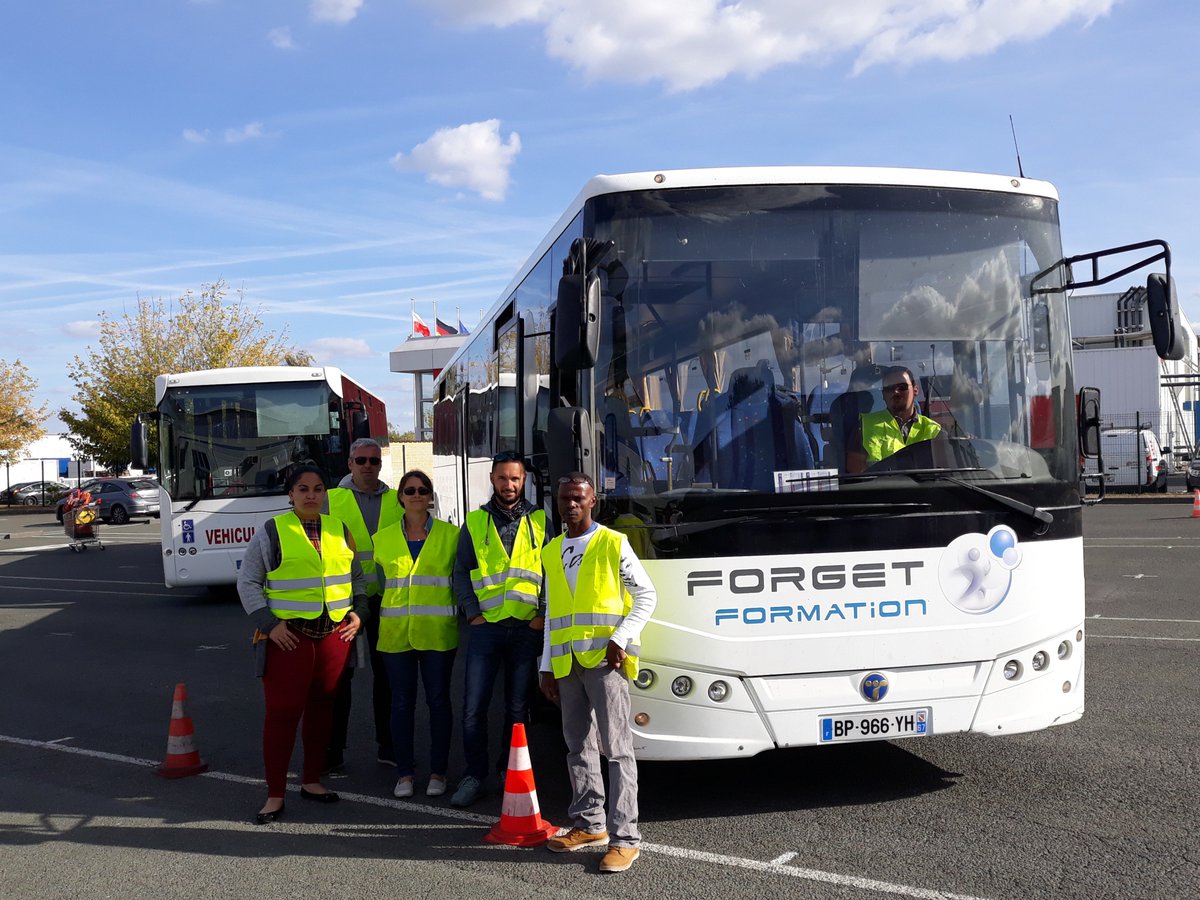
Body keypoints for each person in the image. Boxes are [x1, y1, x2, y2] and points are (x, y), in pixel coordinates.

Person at [236, 465, 368, 825]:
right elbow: (248, 582)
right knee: (282, 714)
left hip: (334, 635)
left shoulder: (340, 529)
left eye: (318, 488)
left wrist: (359, 612)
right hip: (288, 638)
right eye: (303, 489)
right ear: (290, 494)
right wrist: (269, 624)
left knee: (323, 709)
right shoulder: (272, 531)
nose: (312, 495)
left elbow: (356, 576)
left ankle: (312, 781)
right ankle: (274, 794)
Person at [539, 471, 657, 874]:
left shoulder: (612, 542)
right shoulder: (551, 550)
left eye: (579, 498)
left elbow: (647, 594)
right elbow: (553, 612)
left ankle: (626, 838)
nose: (571, 504)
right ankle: (589, 824)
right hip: (567, 663)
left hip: (606, 662)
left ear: (593, 502)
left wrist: (621, 638)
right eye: (564, 498)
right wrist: (545, 667)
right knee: (577, 747)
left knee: (618, 750)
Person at [448, 450, 546, 808]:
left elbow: (551, 572)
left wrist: (542, 615)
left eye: (515, 478)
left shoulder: (541, 520)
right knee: (474, 707)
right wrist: (472, 613)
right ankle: (474, 775)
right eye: (502, 478)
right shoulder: (474, 523)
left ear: (524, 481)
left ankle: (510, 771)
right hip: (486, 628)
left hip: (525, 628)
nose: (509, 485)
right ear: (492, 479)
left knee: (517, 708)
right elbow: (460, 572)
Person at [373, 469, 459, 799]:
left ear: (431, 496)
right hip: (395, 635)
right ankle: (404, 773)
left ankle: (438, 771)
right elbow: (377, 584)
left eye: (423, 490)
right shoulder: (383, 538)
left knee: (438, 702)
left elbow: (461, 580)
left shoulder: (451, 536)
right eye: (410, 490)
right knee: (401, 704)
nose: (417, 495)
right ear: (400, 497)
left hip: (438, 634)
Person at [323, 438, 401, 772]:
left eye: (374, 460)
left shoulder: (397, 500)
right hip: (347, 603)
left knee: (387, 679)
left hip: (387, 603)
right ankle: (332, 750)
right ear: (350, 463)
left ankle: (388, 745)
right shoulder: (330, 499)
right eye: (361, 460)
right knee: (340, 678)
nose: (368, 466)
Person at [846, 365, 942, 472]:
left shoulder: (935, 431)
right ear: (883, 394)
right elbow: (856, 472)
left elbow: (944, 473)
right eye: (889, 388)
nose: (896, 392)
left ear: (915, 390)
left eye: (902, 387)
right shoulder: (864, 426)